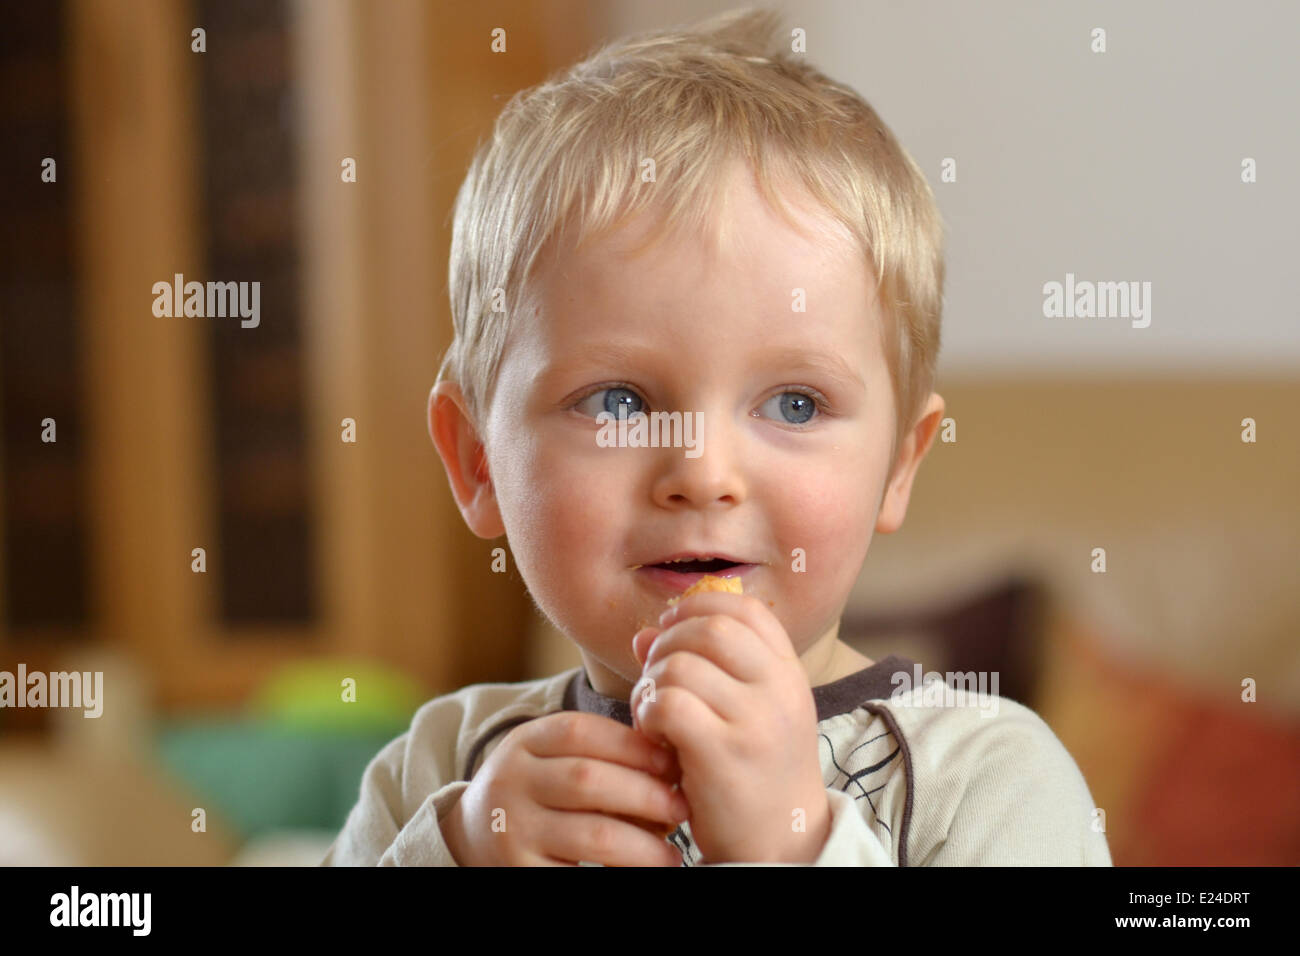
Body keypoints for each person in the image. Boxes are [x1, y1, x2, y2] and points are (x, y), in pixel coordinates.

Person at [322, 7, 1111, 866]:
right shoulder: (437, 771)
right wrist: (454, 852)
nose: (702, 473)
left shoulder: (994, 781)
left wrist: (794, 847)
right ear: (478, 461)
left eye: (795, 404)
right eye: (618, 401)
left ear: (899, 464)